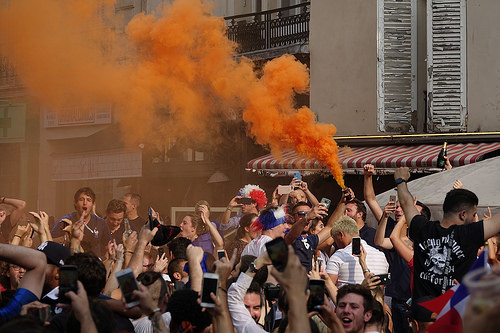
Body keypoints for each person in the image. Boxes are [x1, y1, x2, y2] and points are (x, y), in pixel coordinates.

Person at [394, 166, 500, 303]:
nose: (475, 218)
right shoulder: (470, 234)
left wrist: (400, 180)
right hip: (453, 314)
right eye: (473, 214)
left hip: (424, 317)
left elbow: (406, 203)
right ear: (463, 214)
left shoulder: (422, 228)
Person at [326, 216, 388, 287]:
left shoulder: (338, 256)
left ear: (341, 234)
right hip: (376, 297)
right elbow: (383, 287)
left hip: (346, 297)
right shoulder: (381, 255)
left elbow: (328, 288)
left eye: (335, 239)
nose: (335, 243)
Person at [51, 187, 111, 258]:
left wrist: (105, 263)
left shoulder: (101, 223)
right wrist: (66, 238)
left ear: (92, 204)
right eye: (81, 200)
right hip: (72, 263)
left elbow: (108, 247)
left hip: (94, 266)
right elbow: (49, 242)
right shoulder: (65, 221)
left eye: (88, 200)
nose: (85, 203)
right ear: (75, 203)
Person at [0, 243, 46, 324]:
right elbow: (39, 260)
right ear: (7, 272)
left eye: (25, 268)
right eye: (16, 267)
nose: (22, 271)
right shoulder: (9, 314)